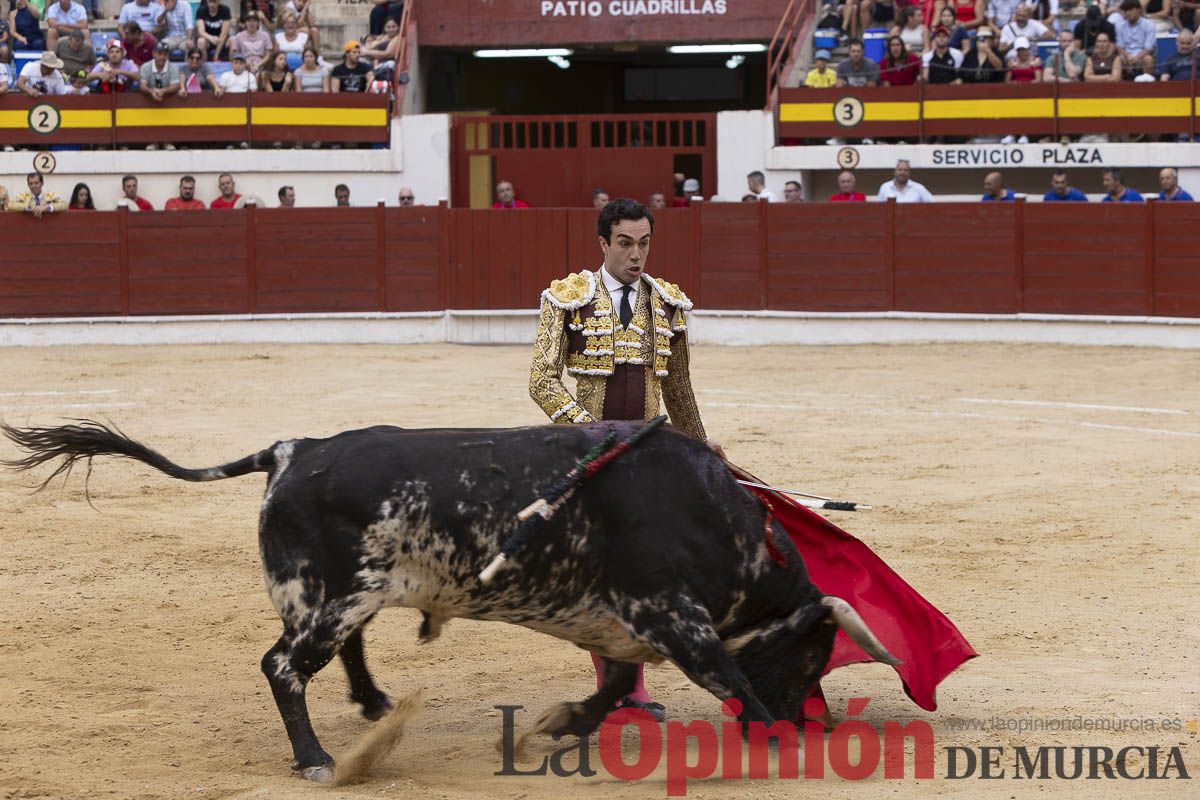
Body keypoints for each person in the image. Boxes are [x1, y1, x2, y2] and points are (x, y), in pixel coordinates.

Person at [529, 197, 714, 724]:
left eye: (645, 243)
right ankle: (620, 686)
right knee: (603, 574)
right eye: (627, 243)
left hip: (645, 460)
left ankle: (626, 685)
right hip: (586, 457)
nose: (637, 254)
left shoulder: (669, 304)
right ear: (604, 243)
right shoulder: (566, 299)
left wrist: (700, 447)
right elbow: (541, 379)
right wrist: (586, 432)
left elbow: (678, 391)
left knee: (642, 573)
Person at [1113, 0, 1155, 68]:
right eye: (1126, 10)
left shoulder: (1149, 25)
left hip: (1142, 55)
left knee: (1148, 60)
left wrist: (1136, 58)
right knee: (1117, 60)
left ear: (1138, 10)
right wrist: (1128, 56)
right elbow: (1119, 47)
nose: (1128, 13)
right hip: (1126, 56)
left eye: (1130, 10)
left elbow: (1148, 48)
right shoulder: (1119, 26)